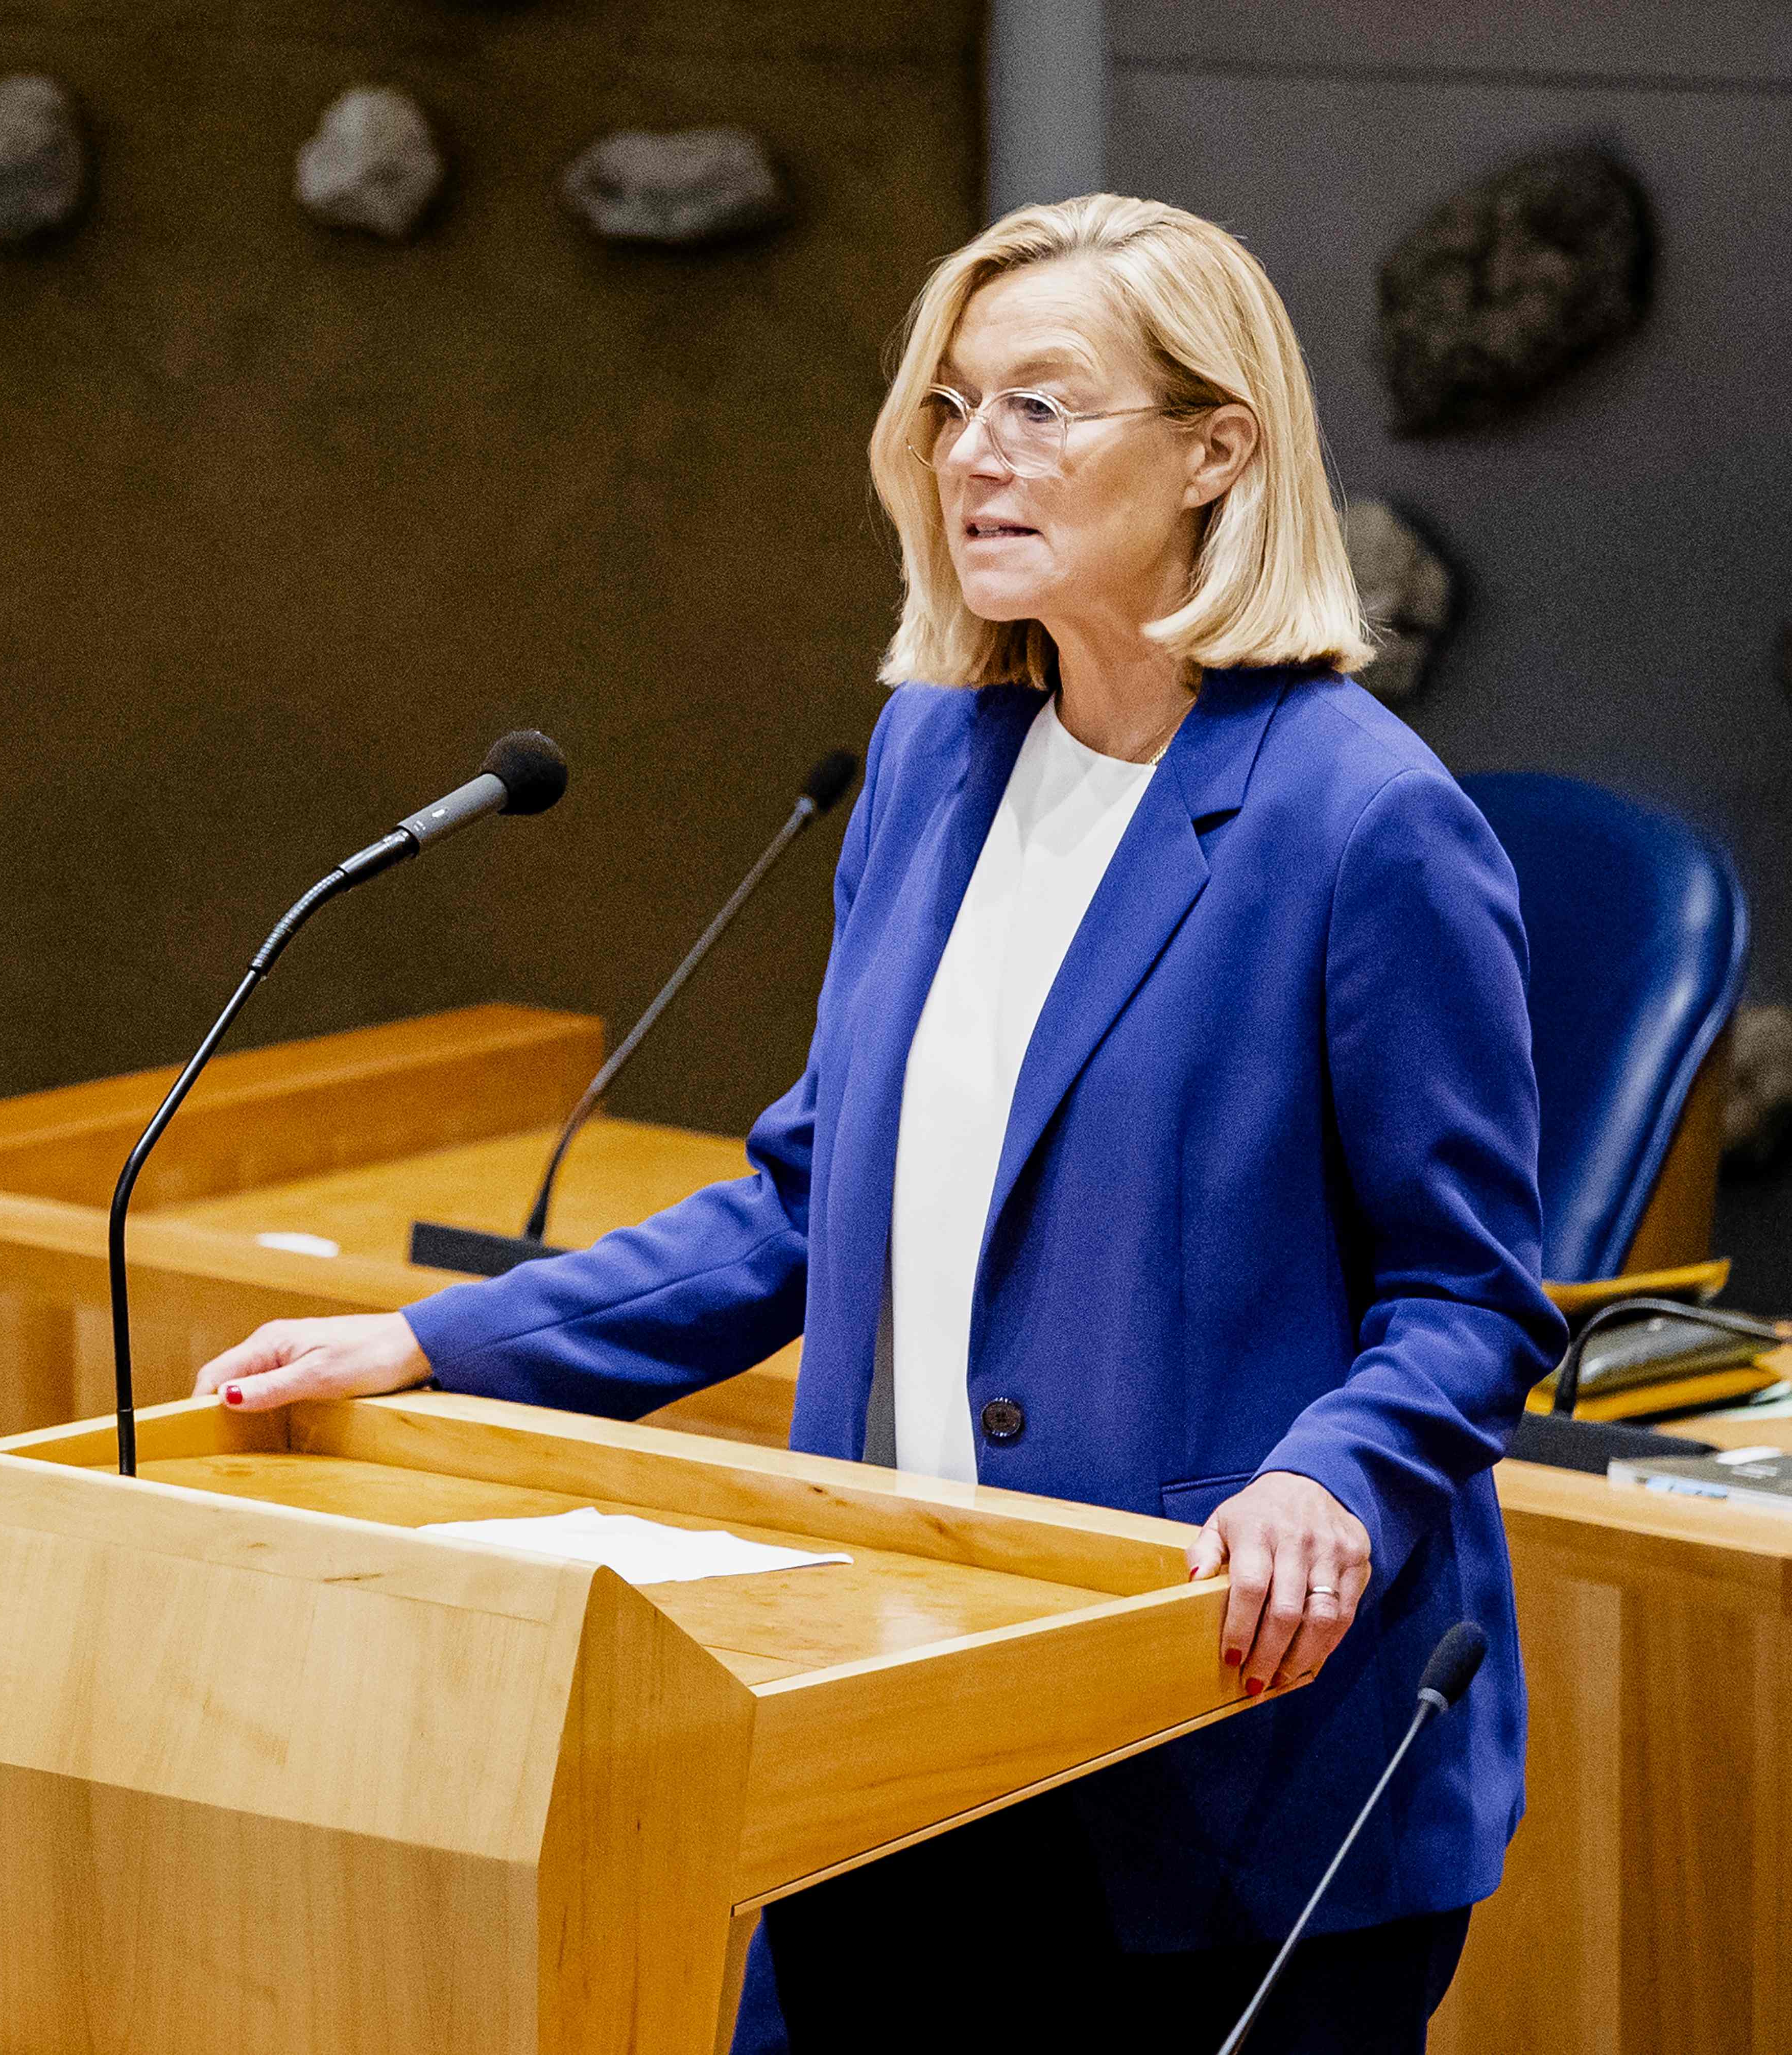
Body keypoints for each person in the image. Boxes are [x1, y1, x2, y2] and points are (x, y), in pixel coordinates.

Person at [193, 194, 1562, 2053]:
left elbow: (1471, 1296)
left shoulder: (1360, 824)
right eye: (951, 407)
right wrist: (443, 1345)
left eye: (1042, 409)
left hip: (1215, 1775)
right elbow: (809, 1203)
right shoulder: (936, 756)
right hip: (899, 1712)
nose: (974, 458)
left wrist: (1334, 1473)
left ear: (1218, 448)